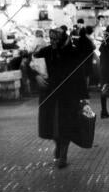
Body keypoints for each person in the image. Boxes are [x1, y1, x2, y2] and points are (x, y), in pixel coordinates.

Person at [34, 28, 87, 168]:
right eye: (51, 39)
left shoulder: (73, 53)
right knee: (53, 125)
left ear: (63, 39)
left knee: (66, 125)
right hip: (50, 95)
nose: (53, 42)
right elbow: (32, 66)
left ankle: (63, 154)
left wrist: (84, 97)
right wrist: (37, 77)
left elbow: (80, 76)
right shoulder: (45, 51)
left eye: (56, 39)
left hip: (68, 97)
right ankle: (58, 144)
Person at [76, 26, 96, 90]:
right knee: (87, 75)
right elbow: (93, 47)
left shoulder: (78, 40)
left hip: (80, 60)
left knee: (81, 75)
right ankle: (86, 88)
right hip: (88, 60)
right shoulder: (88, 40)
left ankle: (81, 88)